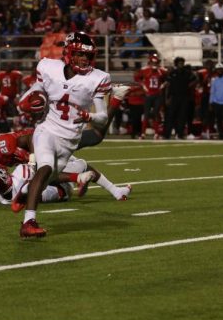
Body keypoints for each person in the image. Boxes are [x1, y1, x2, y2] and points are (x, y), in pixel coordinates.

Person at [14, 32, 120, 238]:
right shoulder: (48, 67)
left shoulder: (98, 78)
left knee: (48, 178)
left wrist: (88, 115)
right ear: (69, 53)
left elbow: (102, 118)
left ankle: (24, 193)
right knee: (44, 169)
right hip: (47, 130)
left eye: (88, 56)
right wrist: (25, 100)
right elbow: (37, 88)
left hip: (69, 140)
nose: (85, 59)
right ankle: (28, 222)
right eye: (80, 54)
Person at [135, 52, 166, 139]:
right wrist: (143, 86)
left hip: (157, 95)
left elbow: (168, 78)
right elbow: (137, 77)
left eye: (156, 62)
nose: (155, 64)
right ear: (150, 62)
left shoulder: (162, 70)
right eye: (153, 62)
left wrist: (162, 86)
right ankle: (143, 133)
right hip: (148, 94)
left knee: (156, 113)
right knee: (146, 114)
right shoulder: (145, 70)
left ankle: (156, 133)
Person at [163, 56, 194, 139]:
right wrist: (167, 98)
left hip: (184, 97)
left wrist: (187, 87)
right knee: (170, 116)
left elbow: (195, 79)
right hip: (174, 97)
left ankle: (180, 134)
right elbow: (168, 86)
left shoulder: (187, 73)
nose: (181, 64)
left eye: (182, 63)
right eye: (179, 63)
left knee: (182, 116)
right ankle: (167, 134)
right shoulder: (172, 73)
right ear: (176, 64)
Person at [209, 63, 223, 139]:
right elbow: (212, 92)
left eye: (221, 69)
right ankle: (221, 135)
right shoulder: (214, 80)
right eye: (218, 70)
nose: (219, 71)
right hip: (216, 103)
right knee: (218, 120)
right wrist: (211, 103)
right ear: (216, 70)